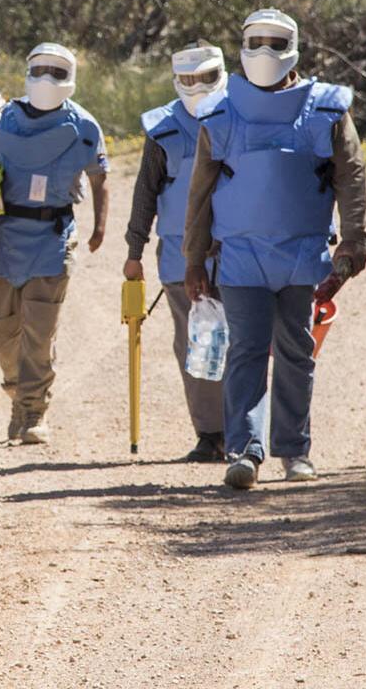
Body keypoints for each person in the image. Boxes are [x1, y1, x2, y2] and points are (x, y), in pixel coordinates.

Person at [183, 8, 366, 489]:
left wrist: (353, 238)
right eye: (256, 41)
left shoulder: (326, 109)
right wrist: (194, 259)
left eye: (276, 41)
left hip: (302, 254)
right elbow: (200, 192)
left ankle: (294, 452)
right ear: (242, 47)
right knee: (245, 351)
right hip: (240, 256)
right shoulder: (219, 112)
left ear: (295, 48)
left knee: (296, 352)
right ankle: (245, 452)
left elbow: (350, 175)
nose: (265, 51)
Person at [0, 43, 108, 444]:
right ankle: (17, 391)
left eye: (56, 71)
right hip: (4, 234)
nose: (46, 79)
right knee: (0, 328)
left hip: (52, 236)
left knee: (39, 331)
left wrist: (99, 228)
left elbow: (99, 177)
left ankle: (34, 411)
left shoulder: (84, 126)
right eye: (39, 69)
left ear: (71, 78)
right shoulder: (1, 118)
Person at [125, 42, 232, 462]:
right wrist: (134, 250)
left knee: (243, 342)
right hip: (178, 255)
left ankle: (244, 429)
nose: (197, 87)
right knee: (197, 342)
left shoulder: (241, 116)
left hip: (240, 251)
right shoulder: (162, 128)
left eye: (206, 78)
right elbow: (145, 192)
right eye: (188, 79)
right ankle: (211, 434)